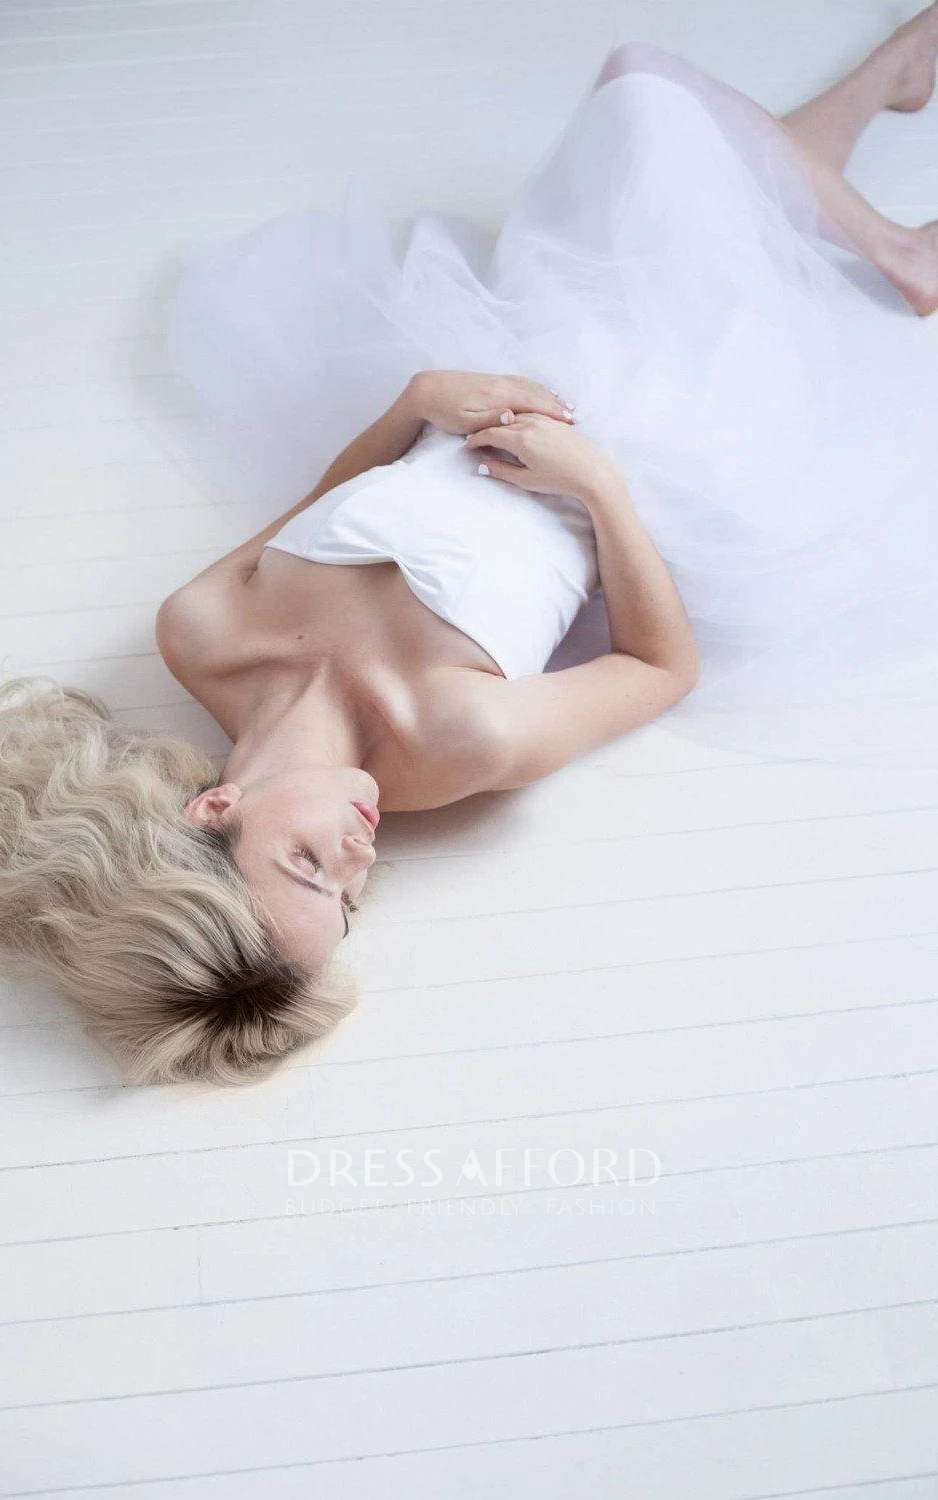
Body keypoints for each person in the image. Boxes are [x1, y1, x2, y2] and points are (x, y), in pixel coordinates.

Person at [4, 10, 938, 1084]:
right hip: (656, 433)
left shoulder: (199, 630)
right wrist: (599, 489)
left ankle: (884, 130)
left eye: (307, 862)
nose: (360, 858)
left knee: (681, 169)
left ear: (216, 808)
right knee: (647, 93)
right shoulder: (460, 743)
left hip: (509, 364)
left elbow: (324, 501)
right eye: (348, 901)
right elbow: (660, 667)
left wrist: (413, 403)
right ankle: (892, 230)